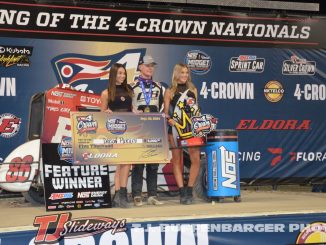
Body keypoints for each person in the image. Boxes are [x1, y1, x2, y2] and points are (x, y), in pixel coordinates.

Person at [130, 55, 165, 206]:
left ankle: (153, 195)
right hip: (138, 129)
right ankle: (137, 194)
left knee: (153, 163)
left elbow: (163, 107)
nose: (150, 68)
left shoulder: (159, 87)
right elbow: (129, 107)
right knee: (138, 162)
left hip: (155, 128)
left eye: (152, 65)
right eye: (147, 65)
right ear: (140, 67)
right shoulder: (132, 86)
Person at [163, 63, 200, 205]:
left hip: (191, 129)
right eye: (182, 72)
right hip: (175, 130)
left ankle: (189, 189)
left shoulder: (193, 89)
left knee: (195, 159)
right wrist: (170, 120)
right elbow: (165, 113)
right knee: (177, 160)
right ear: (176, 74)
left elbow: (195, 110)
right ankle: (182, 192)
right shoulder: (170, 91)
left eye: (186, 72)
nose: (184, 75)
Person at [100, 63, 133, 208]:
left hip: (129, 130)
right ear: (113, 75)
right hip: (115, 131)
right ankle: (121, 195)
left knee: (124, 163)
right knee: (123, 162)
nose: (122, 76)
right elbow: (101, 115)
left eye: (124, 73)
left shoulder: (129, 90)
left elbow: (132, 109)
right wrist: (105, 112)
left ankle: (119, 195)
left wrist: (136, 112)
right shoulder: (106, 93)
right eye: (119, 73)